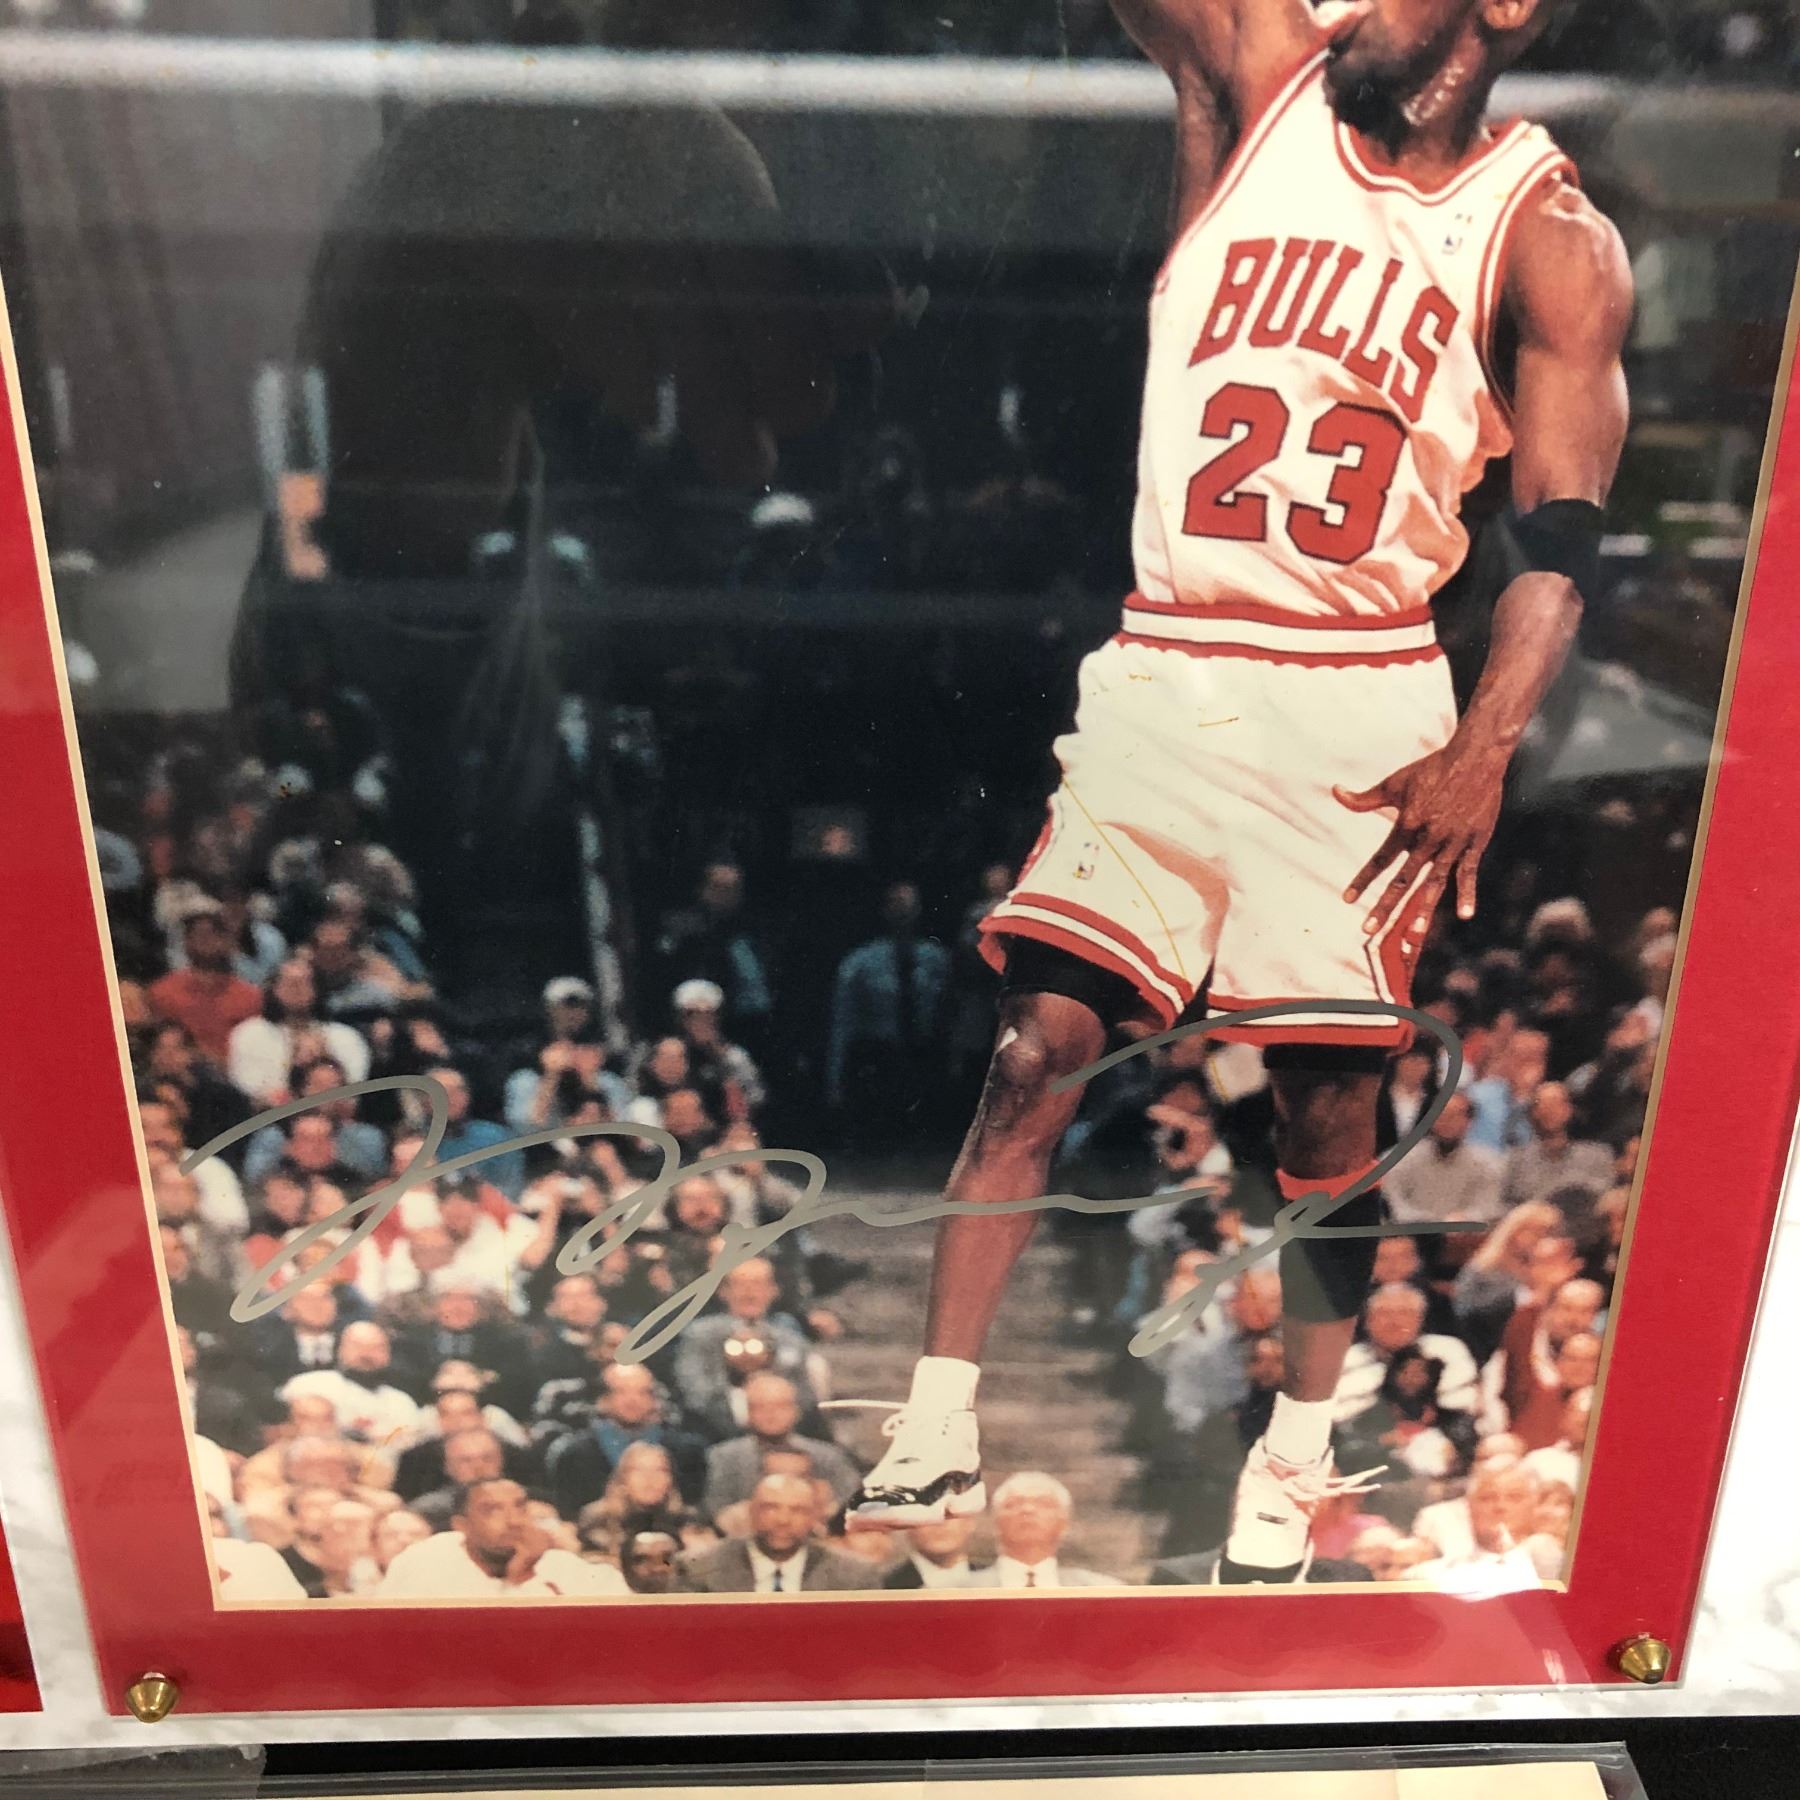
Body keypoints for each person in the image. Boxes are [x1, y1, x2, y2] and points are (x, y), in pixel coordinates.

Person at [847, 0, 1631, 1589]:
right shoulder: (1262, 88)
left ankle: (1296, 1452)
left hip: (1359, 694)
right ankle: (934, 1421)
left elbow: (1560, 538)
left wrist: (1486, 742)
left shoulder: (1551, 237)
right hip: (1173, 661)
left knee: (1323, 1110)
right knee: (1035, 1047)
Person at [377, 1477, 628, 1597]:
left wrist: (526, 1574)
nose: (514, 1521)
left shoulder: (560, 1564)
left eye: (520, 1507)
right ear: (461, 1526)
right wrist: (519, 1580)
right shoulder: (424, 1564)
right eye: (492, 1510)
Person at [672, 1473, 881, 1593]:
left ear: (814, 1518)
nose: (783, 1520)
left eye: (797, 1510)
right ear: (751, 1512)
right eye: (770, 1508)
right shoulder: (698, 1570)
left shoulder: (855, 1577)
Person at [702, 1372, 862, 1518]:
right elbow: (715, 1508)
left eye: (780, 1406)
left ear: (796, 1410)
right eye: (760, 1407)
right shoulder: (722, 1458)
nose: (771, 1415)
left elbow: (850, 1503)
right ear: (747, 1412)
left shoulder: (828, 1457)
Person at [147, 896, 264, 1061]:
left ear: (229, 941)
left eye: (214, 931)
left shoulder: (250, 998)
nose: (205, 939)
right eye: (196, 932)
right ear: (185, 941)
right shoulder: (162, 992)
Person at [965, 1472, 1115, 1588]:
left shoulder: (1104, 1590)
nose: (1027, 1509)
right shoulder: (961, 1591)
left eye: (1043, 1503)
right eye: (1013, 1503)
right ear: (995, 1522)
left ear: (1064, 1524)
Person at [1383, 1090, 1504, 1229]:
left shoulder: (1487, 1163)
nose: (1446, 1122)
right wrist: (1433, 1222)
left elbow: (1487, 1207)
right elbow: (1393, 1205)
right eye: (1440, 1115)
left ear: (1469, 1121)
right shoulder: (1400, 1159)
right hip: (1413, 1233)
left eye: (1454, 1116)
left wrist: (1464, 1218)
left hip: (1464, 1233)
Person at [882, 1516, 984, 1590]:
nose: (939, 1524)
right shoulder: (884, 1586)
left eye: (948, 1515)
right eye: (928, 1516)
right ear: (907, 1525)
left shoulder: (991, 1577)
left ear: (969, 1522)